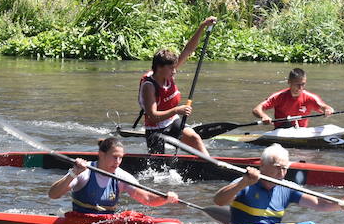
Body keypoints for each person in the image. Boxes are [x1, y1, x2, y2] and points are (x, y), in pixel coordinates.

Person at [213, 145, 344, 224]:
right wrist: (242, 184)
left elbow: (319, 204)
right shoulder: (247, 182)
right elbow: (218, 201)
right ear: (262, 165)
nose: (281, 174)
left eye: (285, 169)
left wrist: (343, 203)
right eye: (277, 168)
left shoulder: (287, 188)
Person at [139, 16, 218, 156]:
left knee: (194, 138)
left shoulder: (168, 74)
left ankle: (211, 163)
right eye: (171, 69)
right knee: (157, 166)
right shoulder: (149, 86)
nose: (174, 71)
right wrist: (177, 110)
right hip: (155, 128)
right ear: (159, 68)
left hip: (171, 122)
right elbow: (153, 116)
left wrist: (202, 26)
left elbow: (188, 49)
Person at [47, 137, 179, 213]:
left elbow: (147, 199)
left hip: (105, 223)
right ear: (101, 154)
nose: (118, 162)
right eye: (114, 157)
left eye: (120, 158)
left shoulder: (122, 176)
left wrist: (165, 198)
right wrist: (73, 173)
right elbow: (53, 194)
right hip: (79, 221)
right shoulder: (84, 172)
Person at [253, 68, 333, 128]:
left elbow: (324, 107)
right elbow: (256, 109)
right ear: (289, 82)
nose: (300, 88)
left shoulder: (310, 98)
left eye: (303, 84)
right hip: (282, 130)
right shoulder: (278, 96)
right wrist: (263, 116)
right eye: (297, 84)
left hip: (301, 132)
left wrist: (328, 110)